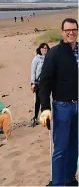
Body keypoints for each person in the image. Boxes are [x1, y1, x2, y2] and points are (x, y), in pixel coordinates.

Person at [39, 18, 78, 186]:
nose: (71, 32)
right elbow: (44, 83)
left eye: (74, 29)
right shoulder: (54, 53)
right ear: (62, 32)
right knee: (61, 149)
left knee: (75, 147)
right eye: (67, 30)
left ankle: (70, 179)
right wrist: (45, 108)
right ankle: (57, 183)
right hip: (62, 106)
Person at [30, 43, 50, 127]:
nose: (44, 49)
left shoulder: (49, 58)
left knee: (46, 99)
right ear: (40, 49)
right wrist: (32, 83)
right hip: (38, 83)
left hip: (48, 82)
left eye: (46, 48)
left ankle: (46, 117)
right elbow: (33, 71)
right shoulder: (36, 59)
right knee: (38, 100)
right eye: (43, 48)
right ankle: (35, 117)